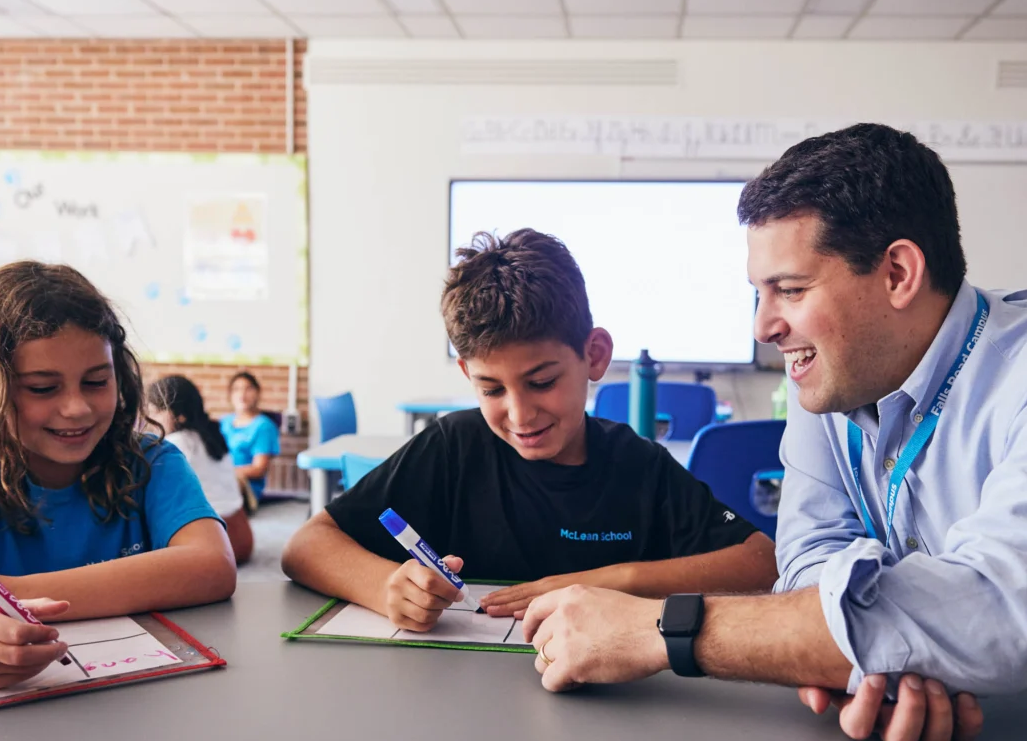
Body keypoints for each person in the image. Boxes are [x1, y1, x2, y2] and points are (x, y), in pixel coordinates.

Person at [519, 123, 1027, 741]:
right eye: (758, 293)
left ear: (896, 274)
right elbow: (807, 563)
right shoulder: (830, 387)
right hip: (997, 736)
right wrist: (895, 654)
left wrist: (664, 630)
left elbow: (990, 615)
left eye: (788, 289)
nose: (762, 326)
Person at [282, 228, 778, 628]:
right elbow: (306, 547)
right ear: (467, 376)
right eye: (492, 390)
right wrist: (385, 585)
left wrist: (610, 580)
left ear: (594, 356)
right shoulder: (453, 447)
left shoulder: (635, 464)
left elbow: (761, 562)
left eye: (541, 382)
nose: (519, 415)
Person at [0, 261, 237, 690]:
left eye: (96, 381)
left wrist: (5, 593)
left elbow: (212, 565)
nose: (77, 408)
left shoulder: (151, 462)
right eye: (42, 388)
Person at [147, 374, 254, 565]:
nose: (151, 419)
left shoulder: (176, 443)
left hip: (216, 544)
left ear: (178, 414)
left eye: (155, 412)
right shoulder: (213, 435)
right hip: (243, 537)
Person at [220, 370, 280, 505]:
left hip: (245, 487)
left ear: (257, 393)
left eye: (248, 389)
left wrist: (224, 473)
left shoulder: (264, 426)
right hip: (221, 479)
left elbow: (259, 469)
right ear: (230, 395)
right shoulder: (224, 422)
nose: (242, 394)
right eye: (237, 389)